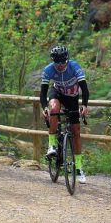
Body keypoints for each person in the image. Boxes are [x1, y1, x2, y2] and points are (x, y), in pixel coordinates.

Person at [40, 45, 89, 184]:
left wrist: (84, 105)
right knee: (54, 109)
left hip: (72, 97)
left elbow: (85, 89)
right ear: (53, 61)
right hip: (57, 93)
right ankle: (52, 145)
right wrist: (45, 108)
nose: (60, 66)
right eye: (57, 63)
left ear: (67, 60)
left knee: (76, 131)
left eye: (63, 63)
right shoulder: (48, 69)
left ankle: (78, 167)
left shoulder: (74, 66)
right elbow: (43, 93)